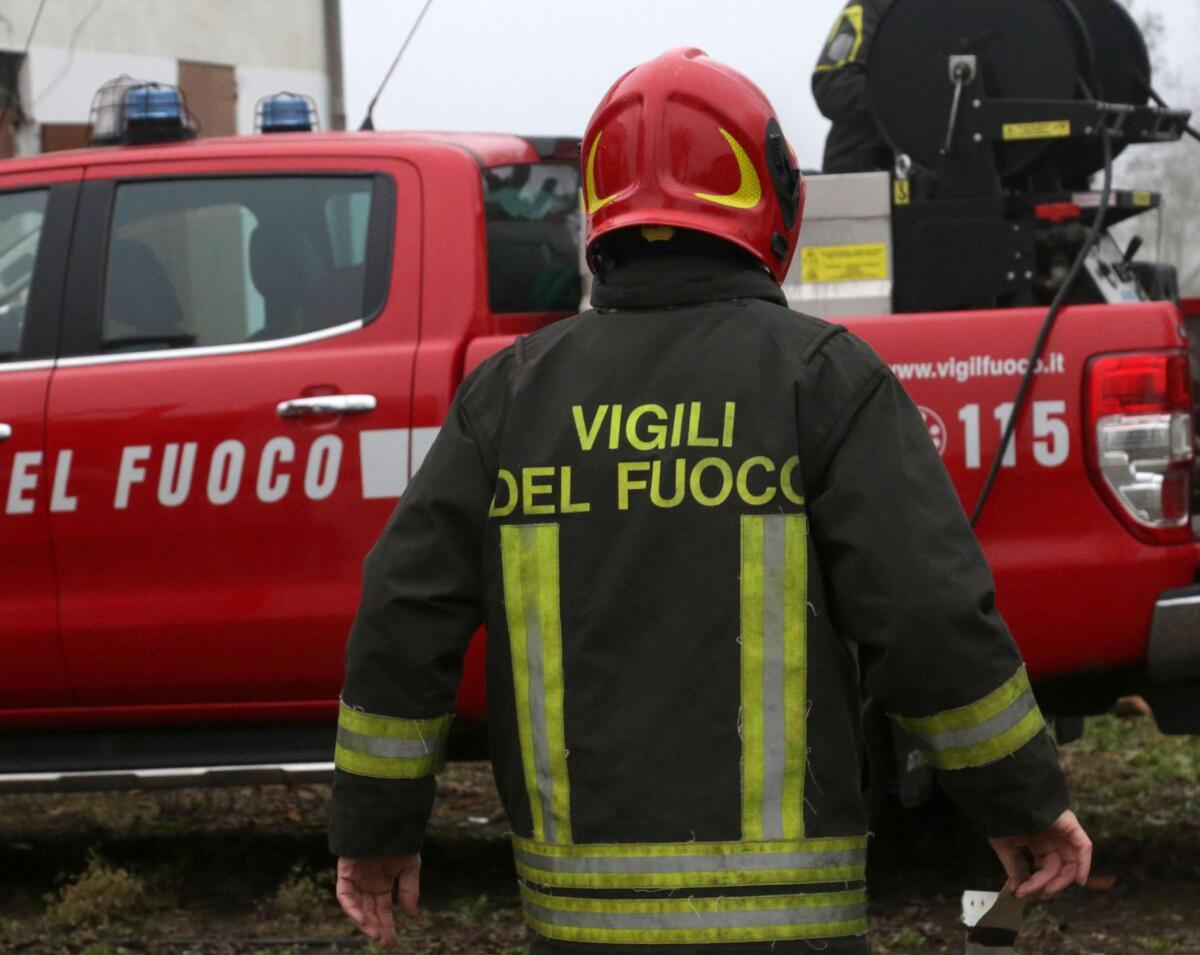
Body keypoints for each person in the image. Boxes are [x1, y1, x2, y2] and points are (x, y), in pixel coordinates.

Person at [329, 48, 1091, 953]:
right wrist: (1023, 801)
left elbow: (403, 613)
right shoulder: (825, 381)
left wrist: (376, 830)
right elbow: (926, 614)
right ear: (772, 198)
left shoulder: (509, 398)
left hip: (579, 929)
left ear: (598, 206)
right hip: (787, 930)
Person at [812, 0, 895, 173]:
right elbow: (831, 84)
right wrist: (906, 98)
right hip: (860, 178)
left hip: (946, 179)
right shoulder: (873, 6)